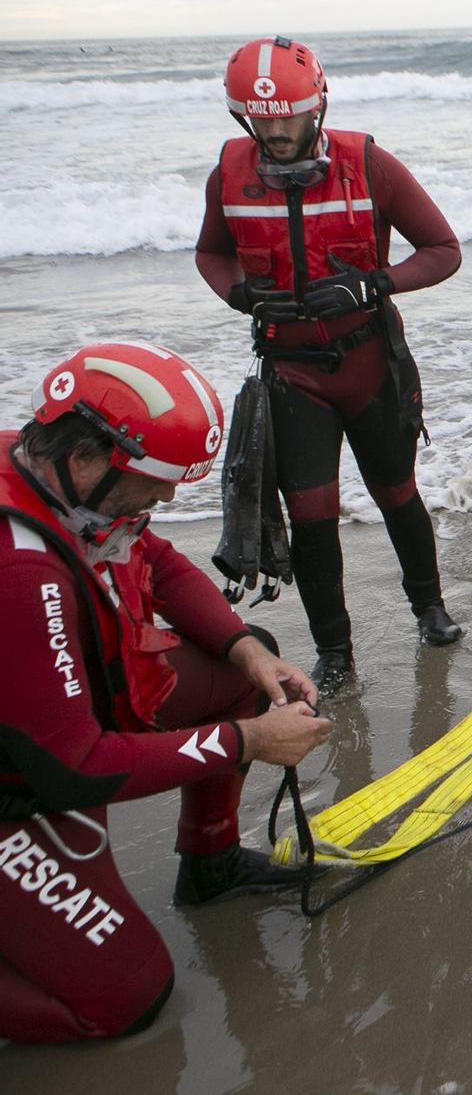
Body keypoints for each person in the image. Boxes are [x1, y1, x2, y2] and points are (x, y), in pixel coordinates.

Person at [0, 343, 332, 1043]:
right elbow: (75, 767)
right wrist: (252, 741)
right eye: (153, 482)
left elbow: (152, 553)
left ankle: (209, 865)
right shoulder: (20, 571)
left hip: (43, 719)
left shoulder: (46, 470)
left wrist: (245, 649)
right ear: (88, 458)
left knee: (248, 665)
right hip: (31, 775)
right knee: (129, 996)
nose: (168, 497)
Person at [195, 36, 465, 690]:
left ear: (316, 106)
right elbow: (211, 253)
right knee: (313, 516)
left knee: (396, 492)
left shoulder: (369, 165)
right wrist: (236, 292)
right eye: (261, 119)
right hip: (292, 375)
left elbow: (443, 248)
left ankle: (430, 608)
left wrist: (375, 283)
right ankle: (336, 653)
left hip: (370, 364)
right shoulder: (230, 175)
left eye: (288, 115)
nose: (275, 130)